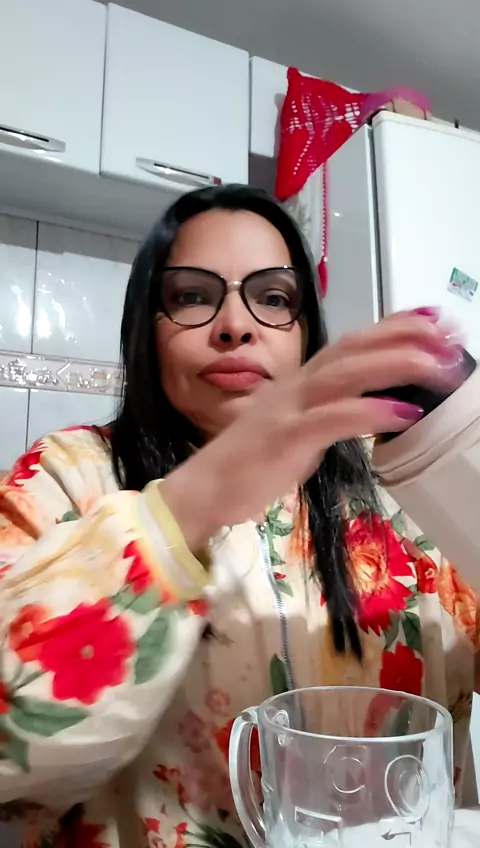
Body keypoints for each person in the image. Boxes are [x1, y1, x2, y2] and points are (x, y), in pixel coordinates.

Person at [0, 185, 476, 848]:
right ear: (147, 328)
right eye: (193, 296)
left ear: (305, 331)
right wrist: (188, 506)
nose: (234, 325)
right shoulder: (65, 476)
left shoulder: (399, 488)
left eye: (274, 298)